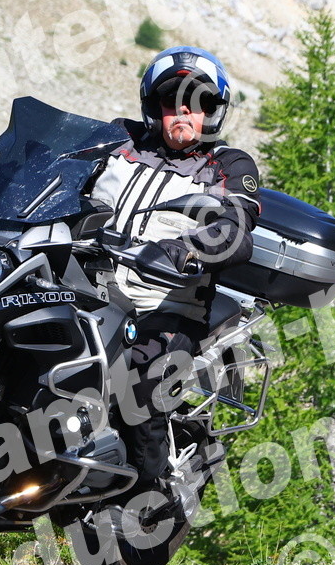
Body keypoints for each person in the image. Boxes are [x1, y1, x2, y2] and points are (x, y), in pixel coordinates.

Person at [85, 46, 262, 485]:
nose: (184, 109)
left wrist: (184, 249)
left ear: (212, 111)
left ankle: (148, 490)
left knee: (140, 387)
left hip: (166, 309)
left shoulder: (228, 165)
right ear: (154, 106)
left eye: (198, 101)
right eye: (172, 100)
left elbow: (236, 228)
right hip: (86, 287)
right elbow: (54, 169)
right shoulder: (117, 140)